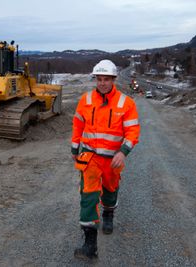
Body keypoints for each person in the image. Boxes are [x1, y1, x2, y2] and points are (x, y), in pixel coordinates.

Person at [71, 59, 140, 260]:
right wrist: (75, 147)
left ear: (113, 79)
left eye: (106, 79)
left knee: (110, 191)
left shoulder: (126, 103)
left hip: (113, 159)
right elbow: (77, 124)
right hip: (90, 157)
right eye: (99, 79)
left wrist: (123, 152)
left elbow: (133, 131)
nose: (102, 83)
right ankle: (90, 246)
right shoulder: (86, 100)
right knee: (88, 197)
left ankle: (108, 214)